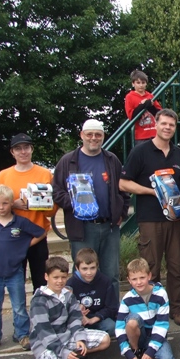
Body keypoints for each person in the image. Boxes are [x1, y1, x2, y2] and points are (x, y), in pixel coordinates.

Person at [120, 109, 180, 326]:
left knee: (176, 267)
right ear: (156, 125)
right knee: (151, 267)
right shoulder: (140, 152)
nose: (167, 127)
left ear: (175, 127)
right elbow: (123, 183)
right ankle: (151, 310)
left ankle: (176, 309)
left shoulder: (177, 153)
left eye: (171, 125)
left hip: (175, 219)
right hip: (150, 219)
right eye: (164, 123)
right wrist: (152, 191)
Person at [53, 119, 129, 296]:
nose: (93, 138)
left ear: (103, 136)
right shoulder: (68, 161)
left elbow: (123, 188)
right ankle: (81, 309)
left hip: (109, 227)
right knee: (83, 274)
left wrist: (122, 213)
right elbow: (56, 192)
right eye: (89, 134)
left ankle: (111, 309)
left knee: (111, 274)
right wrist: (76, 202)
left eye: (98, 135)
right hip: (82, 228)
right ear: (82, 135)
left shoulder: (111, 160)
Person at [22, 256, 111, 359]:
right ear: (46, 277)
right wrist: (63, 352)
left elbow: (74, 319)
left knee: (104, 340)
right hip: (47, 345)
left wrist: (79, 338)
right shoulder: (39, 301)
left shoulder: (68, 295)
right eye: (55, 277)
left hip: (66, 336)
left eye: (63, 277)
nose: (60, 281)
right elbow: (45, 333)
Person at [0, 185, 46, 354]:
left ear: (11, 203)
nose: (1, 207)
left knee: (18, 306)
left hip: (14, 271)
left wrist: (25, 246)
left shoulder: (20, 222)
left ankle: (22, 334)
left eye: (5, 203)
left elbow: (41, 232)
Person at [0, 133, 56, 291]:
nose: (23, 152)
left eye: (26, 147)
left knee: (41, 281)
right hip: (13, 236)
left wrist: (39, 204)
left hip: (37, 235)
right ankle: (19, 307)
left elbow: (52, 210)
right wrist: (13, 205)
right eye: (18, 148)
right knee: (15, 282)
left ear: (32, 149)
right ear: (12, 152)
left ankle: (40, 305)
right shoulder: (4, 175)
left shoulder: (45, 174)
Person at [115, 258, 175, 359]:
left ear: (149, 276)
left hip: (155, 335)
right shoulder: (127, 298)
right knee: (132, 320)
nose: (139, 282)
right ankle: (135, 351)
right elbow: (119, 327)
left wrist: (151, 350)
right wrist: (127, 352)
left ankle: (148, 350)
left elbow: (162, 324)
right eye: (134, 279)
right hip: (139, 335)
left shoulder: (161, 294)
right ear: (129, 280)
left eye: (142, 277)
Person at [66, 247, 119, 337]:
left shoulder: (105, 281)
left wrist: (93, 319)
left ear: (97, 266)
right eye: (84, 269)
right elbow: (64, 308)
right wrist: (76, 310)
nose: (89, 272)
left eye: (92, 268)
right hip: (78, 319)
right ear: (77, 268)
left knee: (112, 327)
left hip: (98, 318)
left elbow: (112, 307)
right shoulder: (70, 284)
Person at [125, 70, 162, 144]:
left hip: (155, 133)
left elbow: (160, 113)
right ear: (133, 84)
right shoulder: (130, 97)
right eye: (138, 83)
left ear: (146, 84)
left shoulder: (150, 96)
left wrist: (150, 106)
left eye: (143, 83)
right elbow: (131, 116)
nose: (141, 85)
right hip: (141, 136)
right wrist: (142, 105)